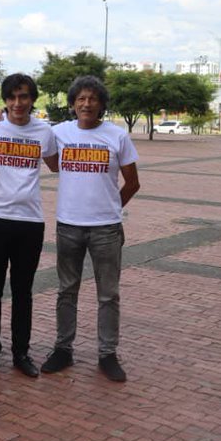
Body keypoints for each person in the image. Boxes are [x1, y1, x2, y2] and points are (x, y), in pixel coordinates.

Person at [41, 76, 140, 382]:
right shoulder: (58, 133)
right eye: (81, 99)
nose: (86, 104)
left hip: (106, 229)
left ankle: (107, 354)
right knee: (66, 291)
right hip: (68, 225)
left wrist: (111, 207)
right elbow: (52, 162)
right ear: (72, 104)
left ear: (101, 104)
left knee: (108, 294)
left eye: (92, 99)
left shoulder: (117, 136)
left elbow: (133, 182)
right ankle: (63, 349)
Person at [0, 74, 57, 378]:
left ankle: (21, 352)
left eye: (24, 97)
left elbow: (58, 165)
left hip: (30, 222)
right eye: (12, 98)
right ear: (4, 101)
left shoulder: (45, 131)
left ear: (33, 99)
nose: (18, 103)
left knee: (23, 291)